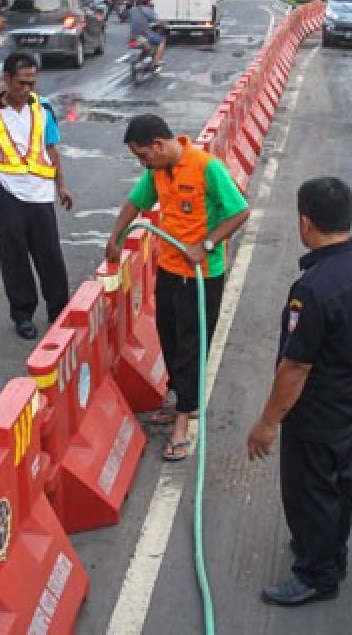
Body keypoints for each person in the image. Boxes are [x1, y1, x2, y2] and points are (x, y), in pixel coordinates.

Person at [247, 177, 352, 606]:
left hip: (316, 410)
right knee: (339, 480)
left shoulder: (313, 288)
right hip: (350, 401)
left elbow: (296, 365)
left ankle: (317, 575)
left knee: (309, 491)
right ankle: (329, 552)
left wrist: (268, 423)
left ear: (306, 222)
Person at [105, 115, 250, 461]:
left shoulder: (206, 168)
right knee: (169, 337)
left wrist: (208, 243)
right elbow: (135, 202)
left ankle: (183, 419)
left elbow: (239, 212)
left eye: (143, 156)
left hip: (202, 274)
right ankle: (183, 398)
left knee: (192, 346)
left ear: (158, 144)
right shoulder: (157, 172)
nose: (143, 163)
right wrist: (115, 237)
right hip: (169, 270)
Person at [0, 53, 75, 340]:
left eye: (32, 83)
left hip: (41, 195)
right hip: (7, 196)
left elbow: (52, 149)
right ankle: (23, 315)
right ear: (6, 79)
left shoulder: (43, 110)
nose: (27, 89)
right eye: (21, 83)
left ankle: (59, 311)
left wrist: (61, 186)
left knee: (51, 257)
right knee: (14, 260)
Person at [127, 0, 167, 64]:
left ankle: (146, 56)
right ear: (147, 1)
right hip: (145, 36)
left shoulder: (133, 9)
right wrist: (165, 24)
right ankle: (156, 60)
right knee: (162, 41)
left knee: (147, 45)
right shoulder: (148, 10)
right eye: (150, 0)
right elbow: (158, 21)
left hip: (133, 36)